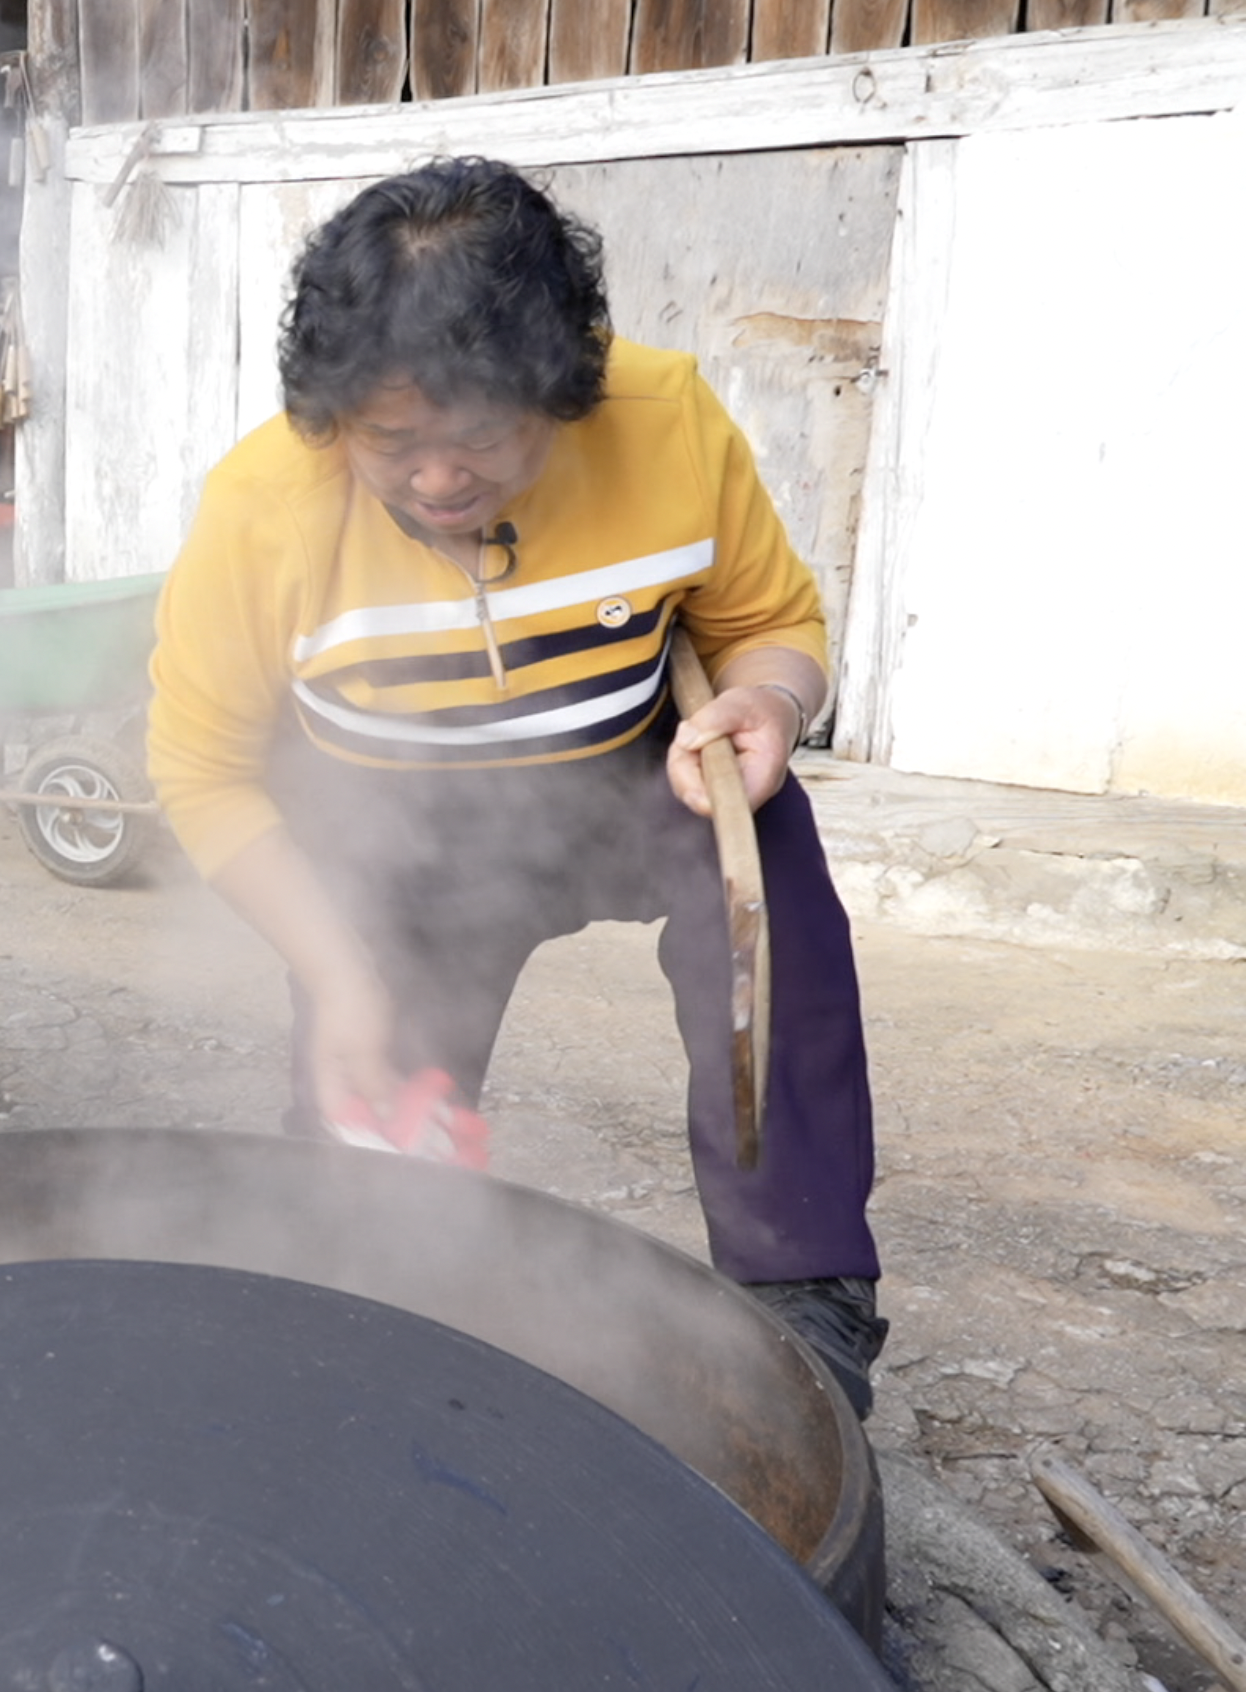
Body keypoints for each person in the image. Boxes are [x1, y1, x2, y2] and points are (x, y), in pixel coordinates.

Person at [146, 157, 889, 1416]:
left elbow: (768, 625)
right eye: (392, 442)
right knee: (368, 1151)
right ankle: (364, 1321)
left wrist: (770, 701)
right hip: (394, 839)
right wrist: (340, 975)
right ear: (334, 418)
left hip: (632, 780)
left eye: (484, 433)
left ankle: (802, 1288)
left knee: (770, 874)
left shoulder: (665, 418)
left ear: (565, 388)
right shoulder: (264, 502)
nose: (440, 481)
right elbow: (204, 773)